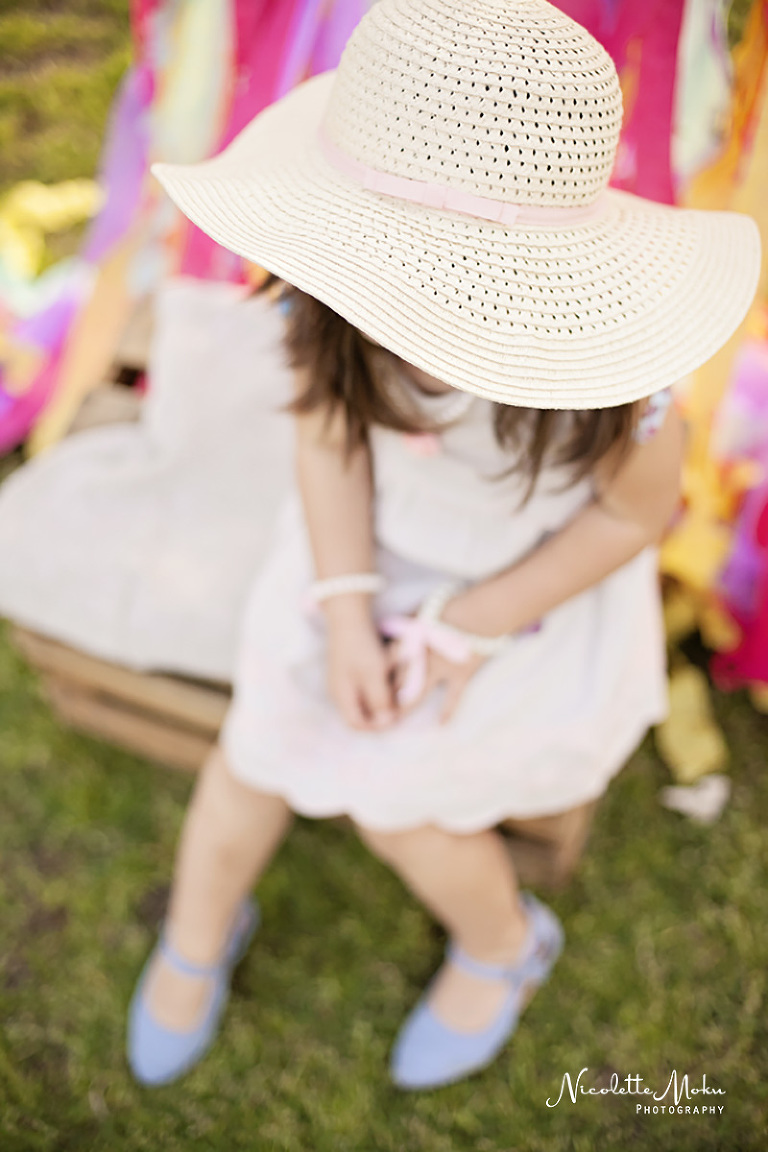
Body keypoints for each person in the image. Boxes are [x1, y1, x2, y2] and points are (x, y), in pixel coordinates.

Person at [127, 0, 759, 1091]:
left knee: (405, 810)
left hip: (522, 596)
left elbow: (627, 519)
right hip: (358, 554)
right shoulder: (332, 307)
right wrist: (345, 608)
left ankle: (504, 943)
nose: (404, 315)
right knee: (251, 752)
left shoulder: (622, 389)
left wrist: (469, 625)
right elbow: (330, 439)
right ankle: (195, 932)